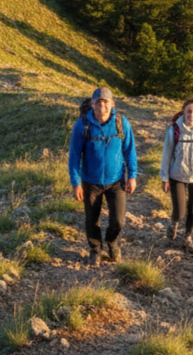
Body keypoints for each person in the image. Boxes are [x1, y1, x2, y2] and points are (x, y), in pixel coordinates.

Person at [68, 87, 138, 267]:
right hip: (90, 182)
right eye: (98, 101)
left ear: (112, 104)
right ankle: (95, 250)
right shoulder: (82, 125)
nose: (102, 105)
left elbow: (130, 151)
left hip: (116, 181)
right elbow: (74, 156)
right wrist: (76, 183)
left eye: (105, 102)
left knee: (118, 221)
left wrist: (132, 176)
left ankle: (112, 241)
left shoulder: (121, 123)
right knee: (92, 220)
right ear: (92, 104)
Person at [159, 97, 193, 254]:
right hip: (177, 175)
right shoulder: (174, 130)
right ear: (183, 111)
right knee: (180, 211)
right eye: (189, 111)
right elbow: (166, 154)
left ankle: (187, 238)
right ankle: (174, 221)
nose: (192, 114)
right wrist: (164, 178)